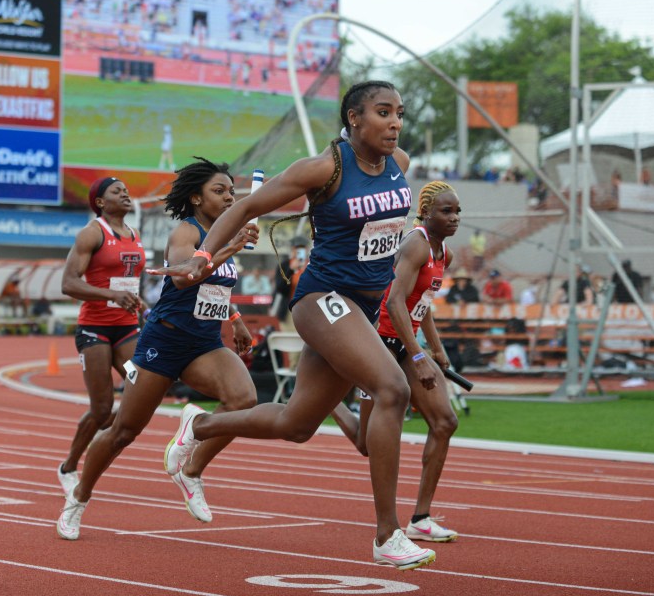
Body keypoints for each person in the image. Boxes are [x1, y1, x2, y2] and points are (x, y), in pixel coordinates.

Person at [149, 81, 438, 570]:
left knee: (297, 423)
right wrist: (202, 255)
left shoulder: (400, 165)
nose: (395, 123)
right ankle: (388, 535)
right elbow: (244, 207)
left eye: (400, 114)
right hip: (322, 298)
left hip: (360, 309)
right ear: (353, 119)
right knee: (392, 389)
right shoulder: (323, 168)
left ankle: (199, 425)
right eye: (383, 113)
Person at [57, 159, 258, 539]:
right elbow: (185, 278)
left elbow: (215, 286)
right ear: (197, 197)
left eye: (232, 191)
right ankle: (78, 498)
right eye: (220, 190)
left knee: (244, 399)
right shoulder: (186, 230)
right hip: (163, 342)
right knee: (123, 430)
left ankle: (191, 468)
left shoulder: (227, 231)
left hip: (204, 343)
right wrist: (230, 247)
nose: (229, 197)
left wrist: (235, 319)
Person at [330, 180, 462, 543]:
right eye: (446, 211)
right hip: (381, 342)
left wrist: (436, 348)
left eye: (457, 211)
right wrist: (418, 355)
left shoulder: (443, 253)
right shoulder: (415, 244)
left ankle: (420, 518)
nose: (454, 218)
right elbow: (394, 303)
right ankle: (331, 404)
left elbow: (422, 304)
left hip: (407, 342)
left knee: (444, 421)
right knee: (367, 444)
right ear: (426, 213)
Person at [55, 177, 146, 496]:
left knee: (144, 383)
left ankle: (109, 440)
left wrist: (138, 300)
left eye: (126, 189)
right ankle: (68, 467)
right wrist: (110, 295)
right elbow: (68, 283)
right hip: (94, 330)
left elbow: (127, 281)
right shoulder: (92, 233)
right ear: (100, 202)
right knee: (102, 409)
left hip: (127, 326)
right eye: (116, 191)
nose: (125, 193)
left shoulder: (134, 235)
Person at [269, 235, 308, 322]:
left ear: (307, 249)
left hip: (308, 309)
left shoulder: (311, 265)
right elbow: (280, 288)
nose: (299, 251)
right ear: (292, 249)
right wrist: (290, 270)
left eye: (302, 248)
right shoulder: (285, 265)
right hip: (289, 310)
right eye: (296, 248)